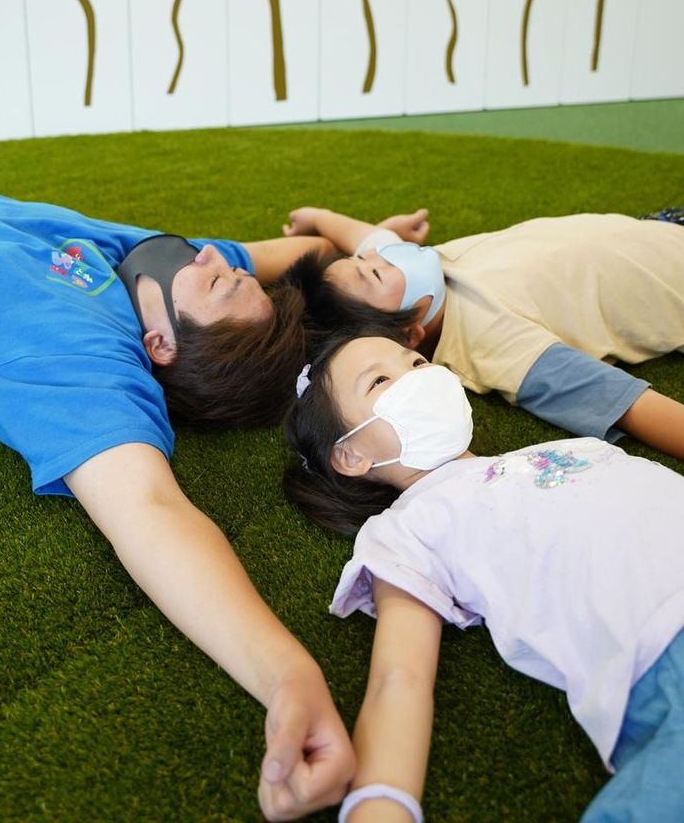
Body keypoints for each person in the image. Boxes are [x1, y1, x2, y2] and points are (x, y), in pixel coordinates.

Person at [0, 182, 354, 821]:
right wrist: (372, 246)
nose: (212, 255)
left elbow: (150, 511)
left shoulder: (82, 364)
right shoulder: (145, 268)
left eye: (219, 281)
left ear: (163, 346)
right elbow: (280, 252)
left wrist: (287, 677)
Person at [282, 333, 684, 822]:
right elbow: (400, 677)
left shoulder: (565, 449)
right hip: (663, 652)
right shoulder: (408, 528)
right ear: (350, 456)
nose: (420, 375)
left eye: (417, 361)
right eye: (380, 380)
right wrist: (379, 805)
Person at [280, 204, 684, 459]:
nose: (375, 253)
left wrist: (317, 218)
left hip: (660, 225)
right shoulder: (493, 346)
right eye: (372, 270)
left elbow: (368, 239)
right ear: (410, 335)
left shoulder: (418, 278)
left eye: (359, 257)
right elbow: (624, 402)